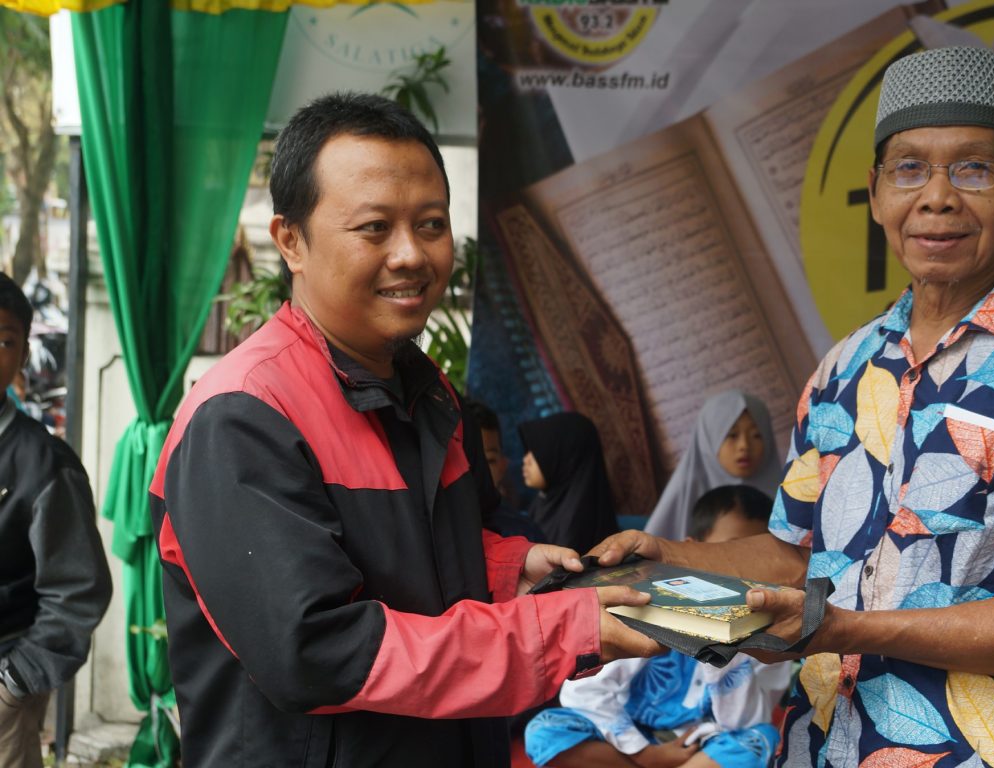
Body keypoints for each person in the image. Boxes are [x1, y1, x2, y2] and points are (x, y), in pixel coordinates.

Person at [592, 47, 994, 768]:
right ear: (875, 192)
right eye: (909, 168)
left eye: (975, 169)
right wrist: (671, 556)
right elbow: (797, 554)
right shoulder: (845, 366)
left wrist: (844, 629)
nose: (937, 198)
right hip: (820, 749)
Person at [148, 93, 661, 767]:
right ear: (291, 240)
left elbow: (420, 559)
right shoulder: (243, 416)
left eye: (431, 224)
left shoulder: (431, 392)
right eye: (374, 228)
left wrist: (510, 570)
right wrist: (558, 628)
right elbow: (318, 652)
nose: (412, 255)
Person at [525, 485, 790, 768]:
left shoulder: (774, 632)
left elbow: (742, 723)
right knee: (545, 731)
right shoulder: (645, 601)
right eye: (731, 552)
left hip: (702, 748)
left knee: (759, 740)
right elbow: (585, 694)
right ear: (693, 550)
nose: (745, 570)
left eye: (759, 560)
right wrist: (645, 754)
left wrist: (730, 642)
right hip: (628, 740)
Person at [0, 272, 112, 768]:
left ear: (24, 353)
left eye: (4, 341)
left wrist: (15, 681)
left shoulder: (43, 465)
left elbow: (77, 590)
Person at [644, 391, 782, 540]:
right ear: (708, 439)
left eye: (756, 435)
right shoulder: (686, 489)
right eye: (732, 435)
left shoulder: (790, 493)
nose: (744, 446)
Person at [518, 411, 620, 555]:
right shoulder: (543, 504)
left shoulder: (577, 527)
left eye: (537, 450)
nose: (526, 459)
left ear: (564, 457)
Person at [465, 398, 547, 542]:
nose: (478, 471)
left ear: (502, 465)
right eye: (466, 460)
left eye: (489, 460)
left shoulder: (523, 535)